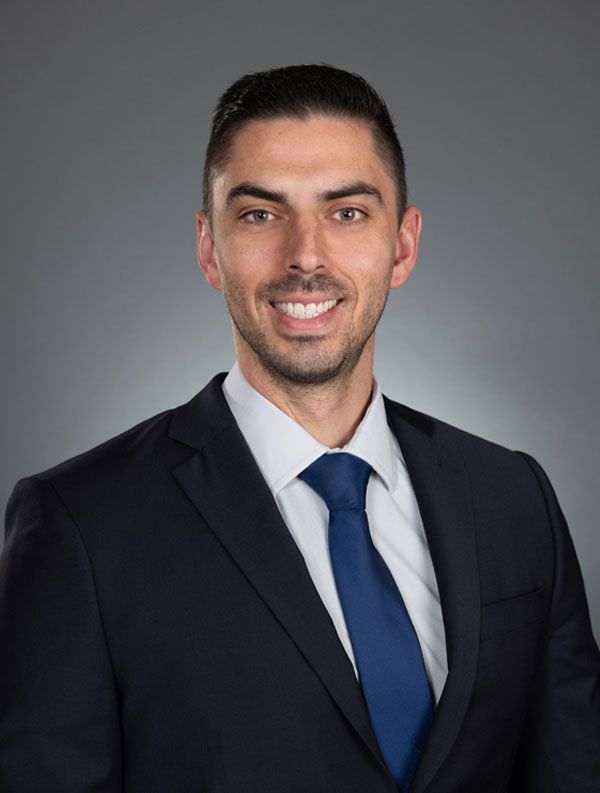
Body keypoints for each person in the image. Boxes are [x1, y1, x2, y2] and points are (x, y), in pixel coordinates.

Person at [1, 64, 599, 793]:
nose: (305, 256)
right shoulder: (82, 526)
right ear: (208, 248)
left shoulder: (514, 497)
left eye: (347, 213)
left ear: (402, 246)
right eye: (260, 214)